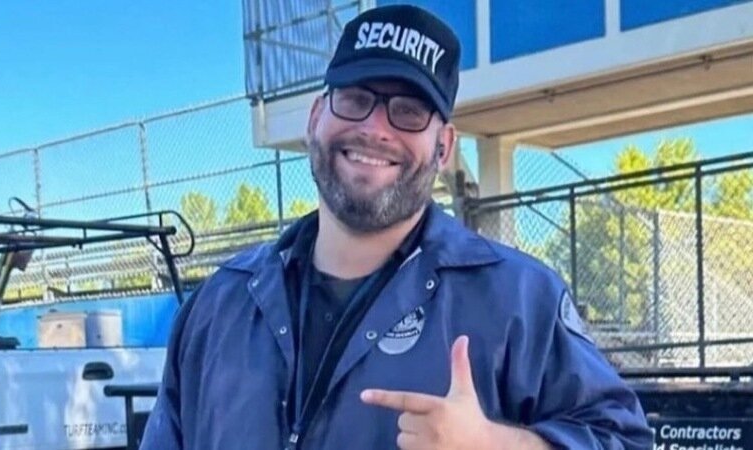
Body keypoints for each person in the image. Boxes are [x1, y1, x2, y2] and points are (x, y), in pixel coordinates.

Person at [141, 4, 654, 449]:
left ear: (444, 146)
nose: (374, 128)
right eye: (355, 99)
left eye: (408, 111)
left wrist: (497, 444)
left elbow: (624, 439)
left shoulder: (518, 300)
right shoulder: (218, 306)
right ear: (316, 117)